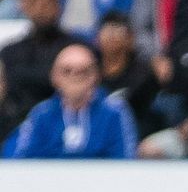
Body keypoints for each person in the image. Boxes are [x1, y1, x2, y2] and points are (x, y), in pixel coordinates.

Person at [6, 42, 137, 157]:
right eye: (67, 71)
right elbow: (25, 161)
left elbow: (124, 158)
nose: (75, 77)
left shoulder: (114, 112)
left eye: (83, 71)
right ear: (54, 77)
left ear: (96, 75)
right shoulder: (42, 114)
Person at [0, 0, 86, 120]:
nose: (41, 8)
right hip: (18, 123)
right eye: (35, 2)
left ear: (58, 5)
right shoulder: (10, 52)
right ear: (25, 5)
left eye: (47, 2)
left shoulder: (76, 49)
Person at [95, 10, 162, 138]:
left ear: (130, 38)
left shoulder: (144, 73)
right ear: (97, 38)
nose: (111, 36)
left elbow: (145, 115)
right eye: (107, 30)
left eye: (117, 31)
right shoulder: (89, 70)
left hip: (135, 132)